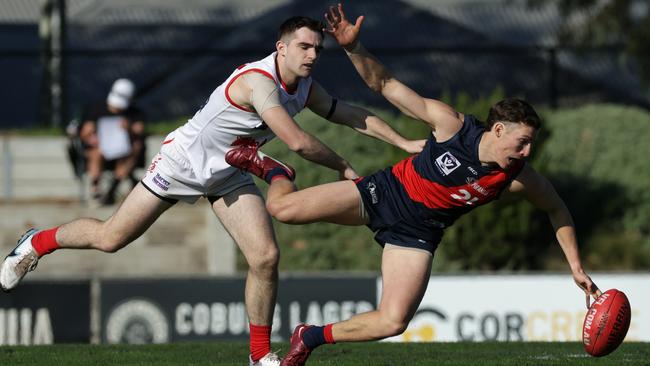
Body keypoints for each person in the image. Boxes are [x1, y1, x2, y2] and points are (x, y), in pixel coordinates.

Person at [0, 16, 423, 366]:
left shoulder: (307, 88)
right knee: (112, 239)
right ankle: (35, 242)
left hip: (231, 170)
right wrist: (344, 166)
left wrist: (403, 143)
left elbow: (349, 113)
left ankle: (259, 356)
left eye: (317, 49)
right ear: (281, 47)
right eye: (304, 47)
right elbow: (296, 141)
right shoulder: (259, 83)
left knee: (266, 258)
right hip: (182, 164)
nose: (312, 55)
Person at [225, 5, 603, 366]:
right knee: (281, 210)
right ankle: (277, 172)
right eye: (521, 142)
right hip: (383, 194)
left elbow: (556, 208)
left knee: (393, 322)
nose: (527, 151)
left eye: (531, 144)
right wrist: (354, 48)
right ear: (498, 129)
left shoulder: (517, 174)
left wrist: (576, 266)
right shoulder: (450, 125)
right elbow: (385, 83)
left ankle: (309, 337)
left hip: (418, 234)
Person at [75, 78, 146, 205]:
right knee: (96, 152)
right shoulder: (96, 109)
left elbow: (140, 130)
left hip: (124, 152)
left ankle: (114, 187)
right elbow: (84, 132)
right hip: (100, 150)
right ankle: (95, 187)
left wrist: (129, 127)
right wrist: (90, 136)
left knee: (135, 147)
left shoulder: (134, 112)